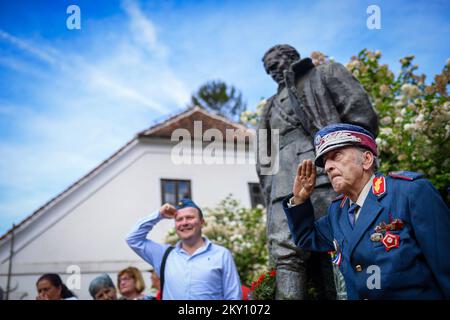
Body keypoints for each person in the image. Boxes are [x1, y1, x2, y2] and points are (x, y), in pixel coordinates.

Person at [257, 44, 379, 299]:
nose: (274, 73)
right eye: (269, 70)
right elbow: (264, 158)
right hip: (283, 186)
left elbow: (362, 117)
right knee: (285, 254)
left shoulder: (324, 75)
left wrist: (343, 159)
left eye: (277, 65)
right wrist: (269, 191)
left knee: (336, 242)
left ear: (292, 58)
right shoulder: (268, 108)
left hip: (326, 175)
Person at [283, 123, 450, 299]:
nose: (327, 167)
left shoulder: (410, 192)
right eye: (325, 161)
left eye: (336, 156)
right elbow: (306, 237)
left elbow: (445, 265)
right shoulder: (337, 212)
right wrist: (300, 200)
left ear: (367, 160)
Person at [125, 198, 242, 300]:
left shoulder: (221, 254)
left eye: (190, 217)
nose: (184, 223)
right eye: (179, 219)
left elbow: (234, 298)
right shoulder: (163, 255)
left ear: (202, 222)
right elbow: (132, 239)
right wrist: (159, 215)